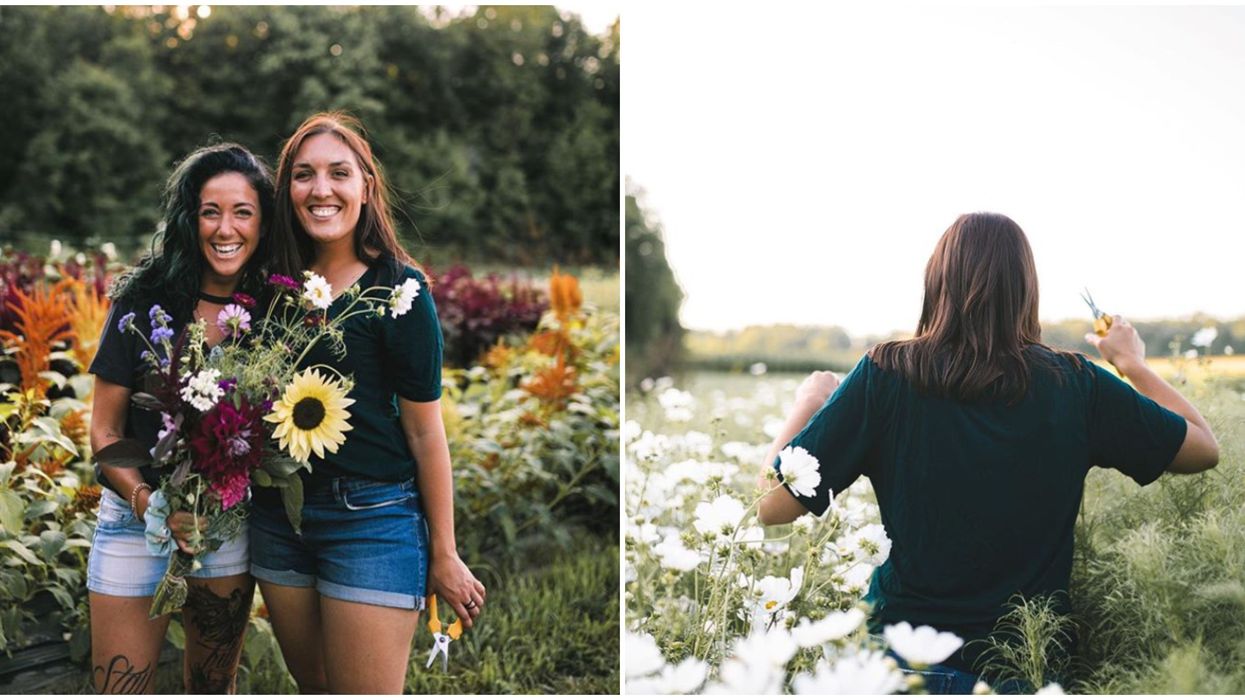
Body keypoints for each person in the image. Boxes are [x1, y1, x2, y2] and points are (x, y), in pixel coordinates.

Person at [756, 212, 1218, 692]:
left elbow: (771, 505)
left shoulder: (886, 375)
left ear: (936, 283)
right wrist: (1131, 363)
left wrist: (807, 405)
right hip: (1025, 668)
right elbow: (1203, 448)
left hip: (900, 664)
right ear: (1025, 289)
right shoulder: (1076, 384)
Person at [248, 112, 486, 694]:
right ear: (287, 192)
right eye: (303, 176)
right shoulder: (269, 285)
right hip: (278, 519)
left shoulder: (399, 293)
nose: (321, 189)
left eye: (339, 173)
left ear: (365, 187)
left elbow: (426, 433)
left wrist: (445, 552)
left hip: (372, 522)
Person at [88, 142, 300, 693]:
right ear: (190, 218)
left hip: (222, 528)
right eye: (211, 211)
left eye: (243, 212)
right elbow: (106, 430)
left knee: (210, 689)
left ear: (263, 222)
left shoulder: (276, 310)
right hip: (134, 525)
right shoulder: (144, 299)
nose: (225, 228)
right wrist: (150, 504)